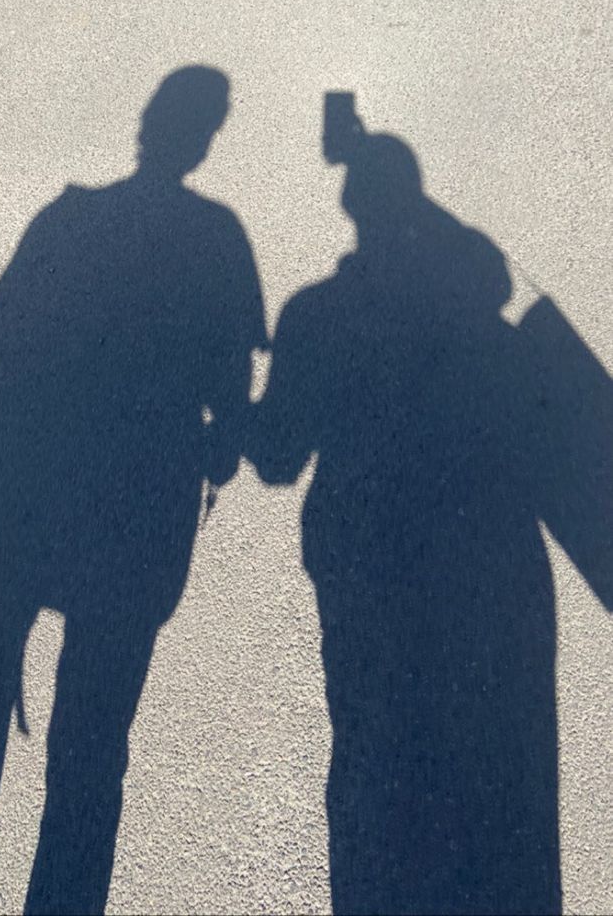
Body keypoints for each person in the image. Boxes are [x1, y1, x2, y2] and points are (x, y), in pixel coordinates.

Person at [249, 93, 612, 915]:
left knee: (382, 791)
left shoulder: (320, 317)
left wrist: (217, 409)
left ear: (353, 214)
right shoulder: (499, 322)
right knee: (505, 794)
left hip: (372, 583)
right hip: (497, 585)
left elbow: (275, 456)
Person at [0, 65, 266, 915]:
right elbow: (231, 423)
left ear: (145, 127)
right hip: (135, 527)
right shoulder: (217, 241)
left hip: (27, 505)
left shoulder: (70, 219)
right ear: (204, 139)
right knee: (89, 753)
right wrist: (219, 452)